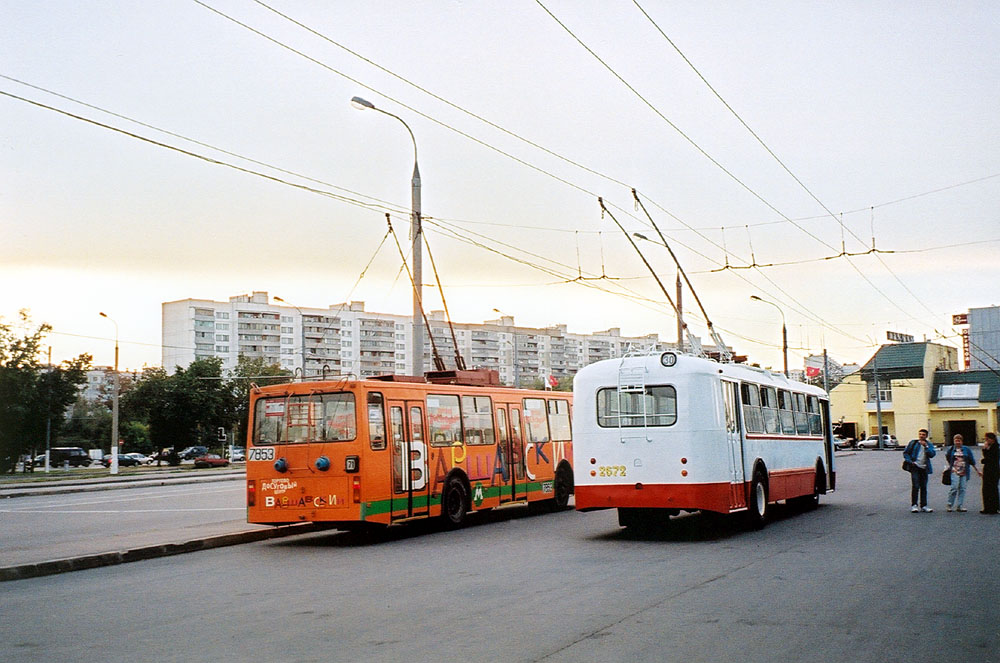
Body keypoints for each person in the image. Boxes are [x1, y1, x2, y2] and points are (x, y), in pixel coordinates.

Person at [945, 433, 981, 512]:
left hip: (964, 471)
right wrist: (949, 467)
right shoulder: (951, 449)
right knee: (954, 488)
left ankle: (960, 505)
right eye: (956, 440)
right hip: (954, 470)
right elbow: (948, 458)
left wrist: (977, 470)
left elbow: (972, 461)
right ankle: (949, 504)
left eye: (959, 441)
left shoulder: (966, 449)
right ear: (954, 441)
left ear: (962, 441)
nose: (957, 442)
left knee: (962, 488)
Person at [903, 429, 936, 513]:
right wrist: (910, 461)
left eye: (923, 434)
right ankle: (914, 505)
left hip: (924, 468)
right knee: (916, 486)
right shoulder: (913, 443)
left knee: (924, 487)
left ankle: (924, 505)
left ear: (926, 436)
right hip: (915, 467)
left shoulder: (929, 444)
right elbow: (906, 453)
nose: (921, 436)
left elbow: (932, 454)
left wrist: (926, 447)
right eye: (920, 434)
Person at [980, 432, 999, 515]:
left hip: (994, 470)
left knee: (993, 489)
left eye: (988, 439)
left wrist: (985, 451)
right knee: (985, 489)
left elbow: (989, 459)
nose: (986, 441)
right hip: (987, 470)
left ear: (993, 439)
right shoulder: (989, 447)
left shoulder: (996, 448)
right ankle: (987, 507)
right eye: (986, 439)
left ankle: (994, 508)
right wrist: (985, 450)